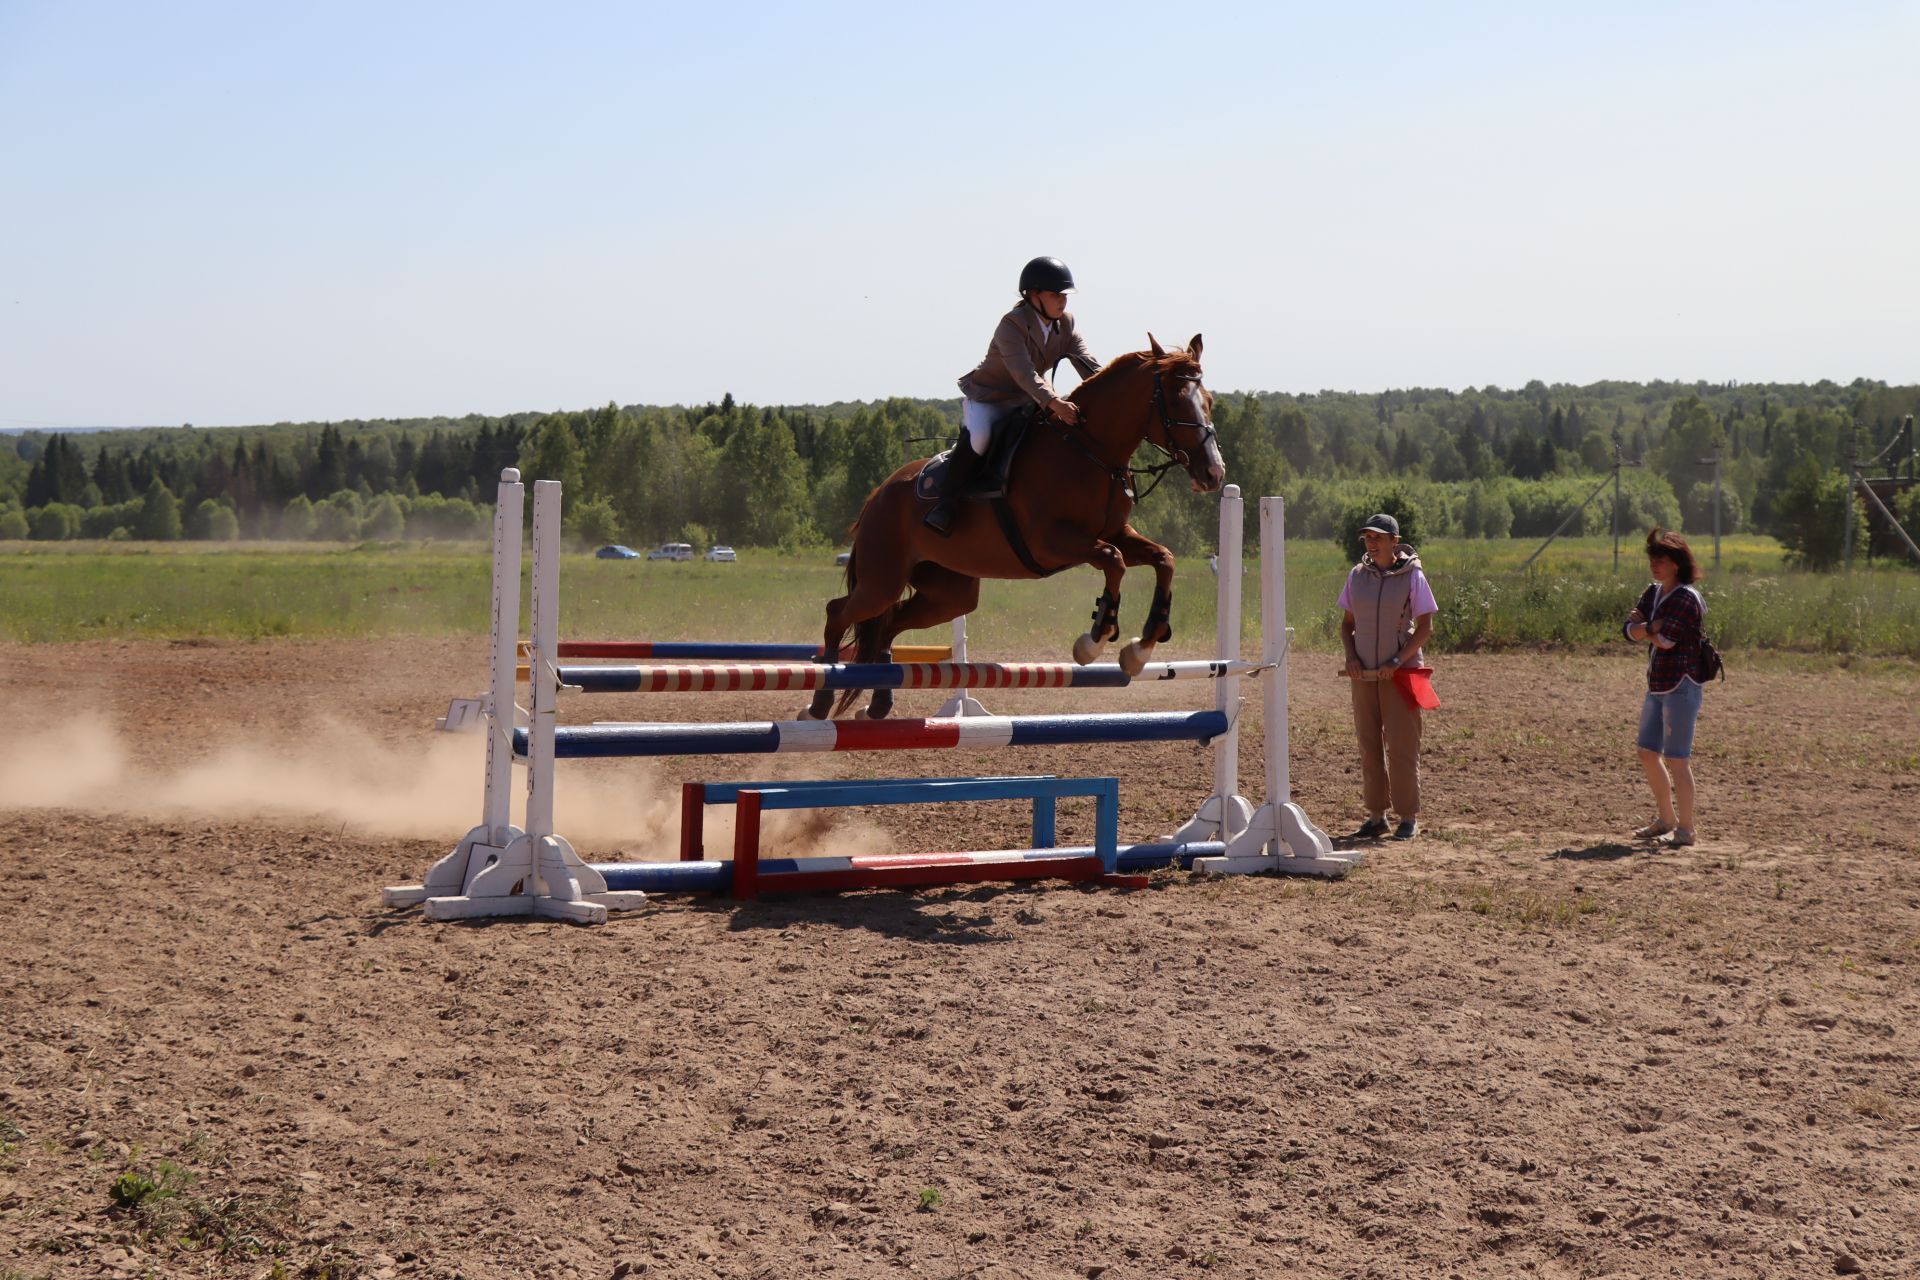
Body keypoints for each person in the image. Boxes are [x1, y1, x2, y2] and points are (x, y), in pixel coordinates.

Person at [925, 256, 1102, 535]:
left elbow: (1087, 363)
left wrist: (1108, 386)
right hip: (991, 398)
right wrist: (1055, 402)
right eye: (1055, 295)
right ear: (1033, 295)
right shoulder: (1012, 324)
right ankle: (946, 503)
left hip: (1029, 399)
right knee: (981, 437)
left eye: (1065, 295)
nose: (1063, 301)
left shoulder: (1065, 323)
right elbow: (1024, 373)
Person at [1338, 513, 1437, 841]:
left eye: (1379, 537)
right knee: (1368, 745)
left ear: (1395, 541)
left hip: (1402, 675)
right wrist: (1351, 657)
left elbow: (1425, 629)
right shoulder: (1356, 575)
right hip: (1364, 675)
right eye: (1368, 537)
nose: (1372, 542)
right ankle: (1376, 816)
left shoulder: (1413, 577)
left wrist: (1398, 659)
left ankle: (1407, 817)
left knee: (1402, 745)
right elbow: (1346, 624)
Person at [1623, 527, 1708, 847]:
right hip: (1657, 684)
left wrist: (1645, 627)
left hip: (1681, 685)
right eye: (1652, 559)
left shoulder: (1687, 598)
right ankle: (1666, 819)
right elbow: (1628, 631)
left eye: (1660, 559)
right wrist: (1648, 626)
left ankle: (1685, 830)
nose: (1654, 565)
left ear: (1676, 562)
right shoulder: (1653, 592)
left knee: (1677, 759)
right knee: (1647, 752)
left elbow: (1667, 640)